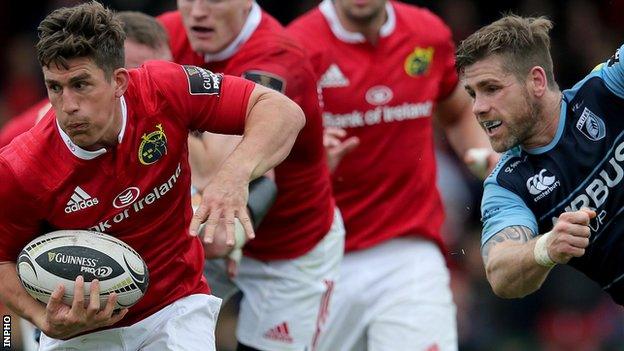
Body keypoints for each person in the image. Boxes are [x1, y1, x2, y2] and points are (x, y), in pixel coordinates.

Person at [0, 2, 304, 351]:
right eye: (55, 87)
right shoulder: (20, 166)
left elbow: (281, 111)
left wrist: (234, 175)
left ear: (119, 81)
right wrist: (42, 320)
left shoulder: (164, 89)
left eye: (81, 84)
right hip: (82, 328)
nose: (68, 105)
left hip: (174, 305)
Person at [287, 1, 496, 350]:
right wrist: (308, 159)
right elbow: (266, 149)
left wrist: (483, 153)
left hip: (411, 254)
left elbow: (457, 110)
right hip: (322, 259)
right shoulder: (296, 48)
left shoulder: (426, 33)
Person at [158, 2, 345, 350]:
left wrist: (154, 105)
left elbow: (220, 166)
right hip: (202, 235)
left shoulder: (275, 57)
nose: (198, 12)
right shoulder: (163, 35)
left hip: (288, 248)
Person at [456, 15, 624, 305]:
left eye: (491, 89)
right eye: (473, 94)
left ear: (536, 80)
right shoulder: (508, 185)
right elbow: (499, 272)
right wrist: (546, 247)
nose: (478, 108)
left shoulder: (606, 88)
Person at [0, 10, 172, 148]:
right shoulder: (22, 137)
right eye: (140, 73)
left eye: (164, 72)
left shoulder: (178, 102)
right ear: (119, 79)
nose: (155, 85)